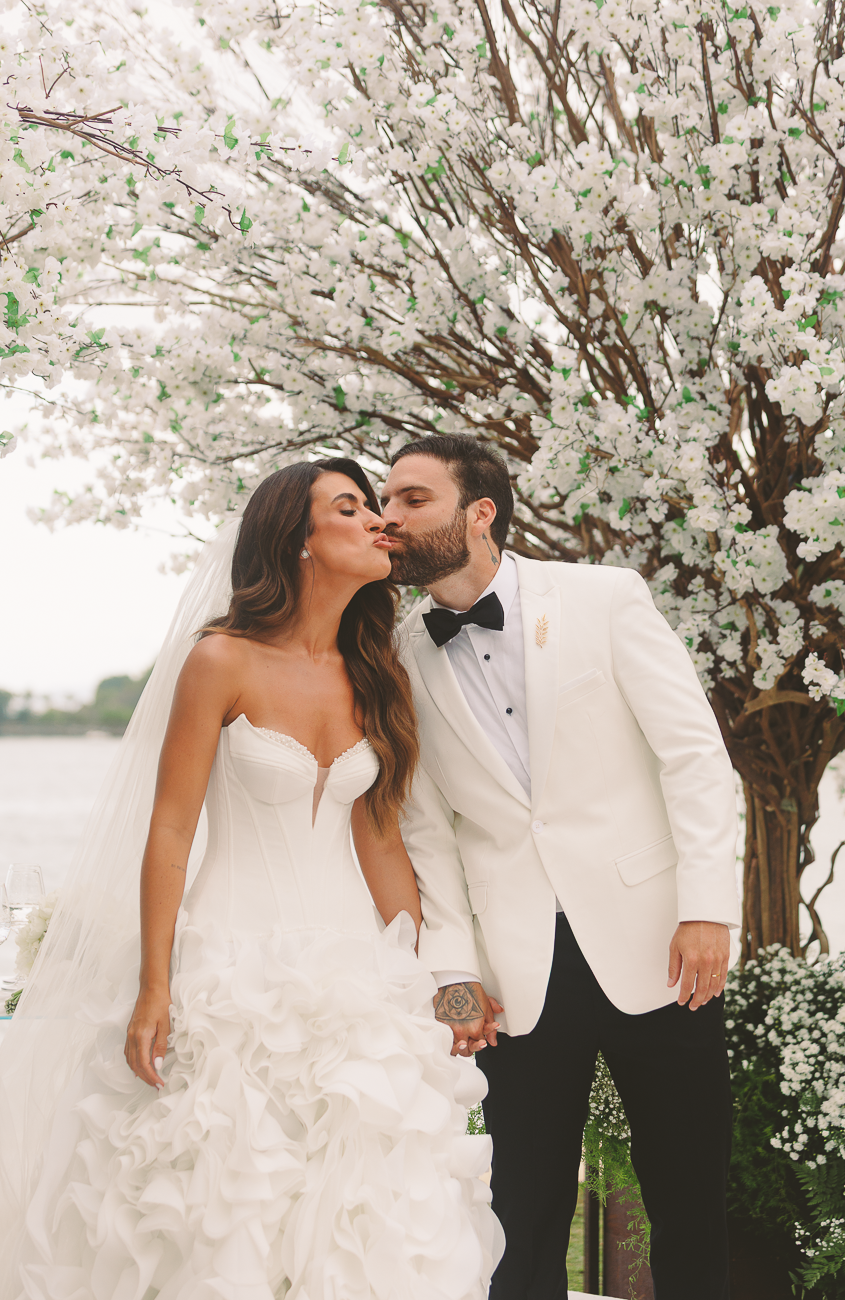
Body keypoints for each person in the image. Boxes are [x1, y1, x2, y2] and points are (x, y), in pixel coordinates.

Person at [0, 458, 502, 1300]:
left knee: (362, 1213)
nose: (379, 519)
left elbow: (381, 842)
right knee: (217, 1205)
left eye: (376, 505)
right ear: (297, 542)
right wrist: (156, 985)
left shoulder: (378, 673)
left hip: (355, 980)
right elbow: (170, 830)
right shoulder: (221, 661)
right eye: (350, 507)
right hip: (229, 968)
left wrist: (435, 986)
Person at [380, 435, 739, 1300]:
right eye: (384, 501)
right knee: (520, 1211)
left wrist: (707, 909)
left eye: (411, 500)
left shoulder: (603, 597)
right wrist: (454, 973)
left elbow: (692, 757)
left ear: (480, 513)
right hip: (515, 972)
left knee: (689, 1197)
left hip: (662, 945)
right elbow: (425, 834)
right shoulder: (398, 655)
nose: (388, 518)